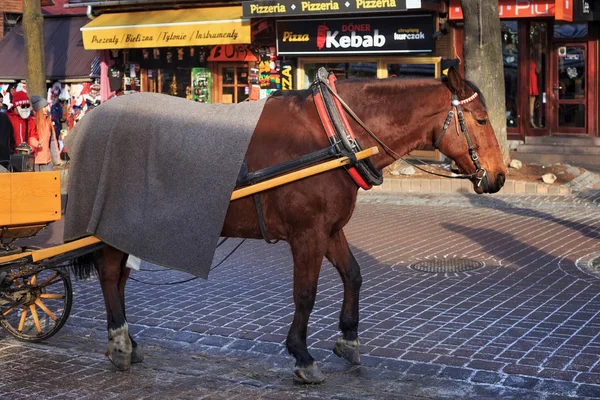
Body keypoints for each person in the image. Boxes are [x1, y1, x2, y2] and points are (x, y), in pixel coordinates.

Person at [31, 95, 60, 172]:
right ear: (39, 108)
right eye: (44, 107)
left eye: (47, 106)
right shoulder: (32, 121)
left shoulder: (48, 121)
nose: (47, 109)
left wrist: (57, 159)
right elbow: (28, 137)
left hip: (46, 161)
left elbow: (53, 141)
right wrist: (34, 143)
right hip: (33, 161)